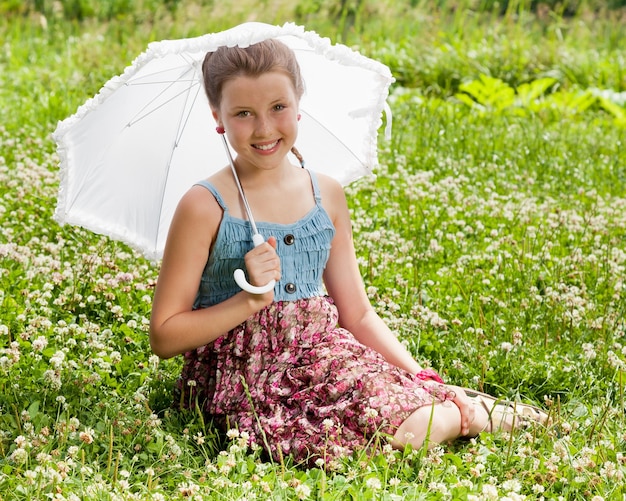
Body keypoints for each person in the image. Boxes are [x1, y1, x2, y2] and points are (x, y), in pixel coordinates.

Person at [149, 37, 548, 466]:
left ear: (298, 105)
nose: (264, 128)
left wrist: (418, 375)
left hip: (326, 356)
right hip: (245, 381)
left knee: (406, 409)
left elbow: (356, 313)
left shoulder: (326, 196)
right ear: (218, 119)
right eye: (243, 114)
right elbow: (164, 335)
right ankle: (471, 416)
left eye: (278, 107)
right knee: (407, 432)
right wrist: (248, 299)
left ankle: (449, 405)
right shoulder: (205, 204)